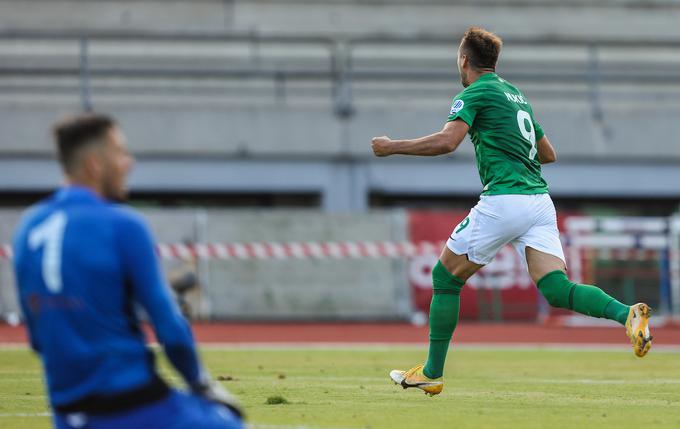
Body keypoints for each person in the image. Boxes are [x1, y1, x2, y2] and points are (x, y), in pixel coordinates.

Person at [371, 27, 652, 396]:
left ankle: (432, 372)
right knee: (555, 288)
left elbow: (447, 141)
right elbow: (548, 153)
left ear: (464, 60)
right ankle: (625, 314)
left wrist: (393, 147)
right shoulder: (516, 96)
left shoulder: (474, 92)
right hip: (539, 202)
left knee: (445, 278)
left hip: (505, 199)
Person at [12, 114, 244, 428]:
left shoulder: (28, 228)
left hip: (68, 415)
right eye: (120, 152)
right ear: (95, 165)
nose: (128, 162)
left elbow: (39, 338)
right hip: (134, 408)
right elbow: (170, 329)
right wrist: (202, 384)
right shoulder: (123, 225)